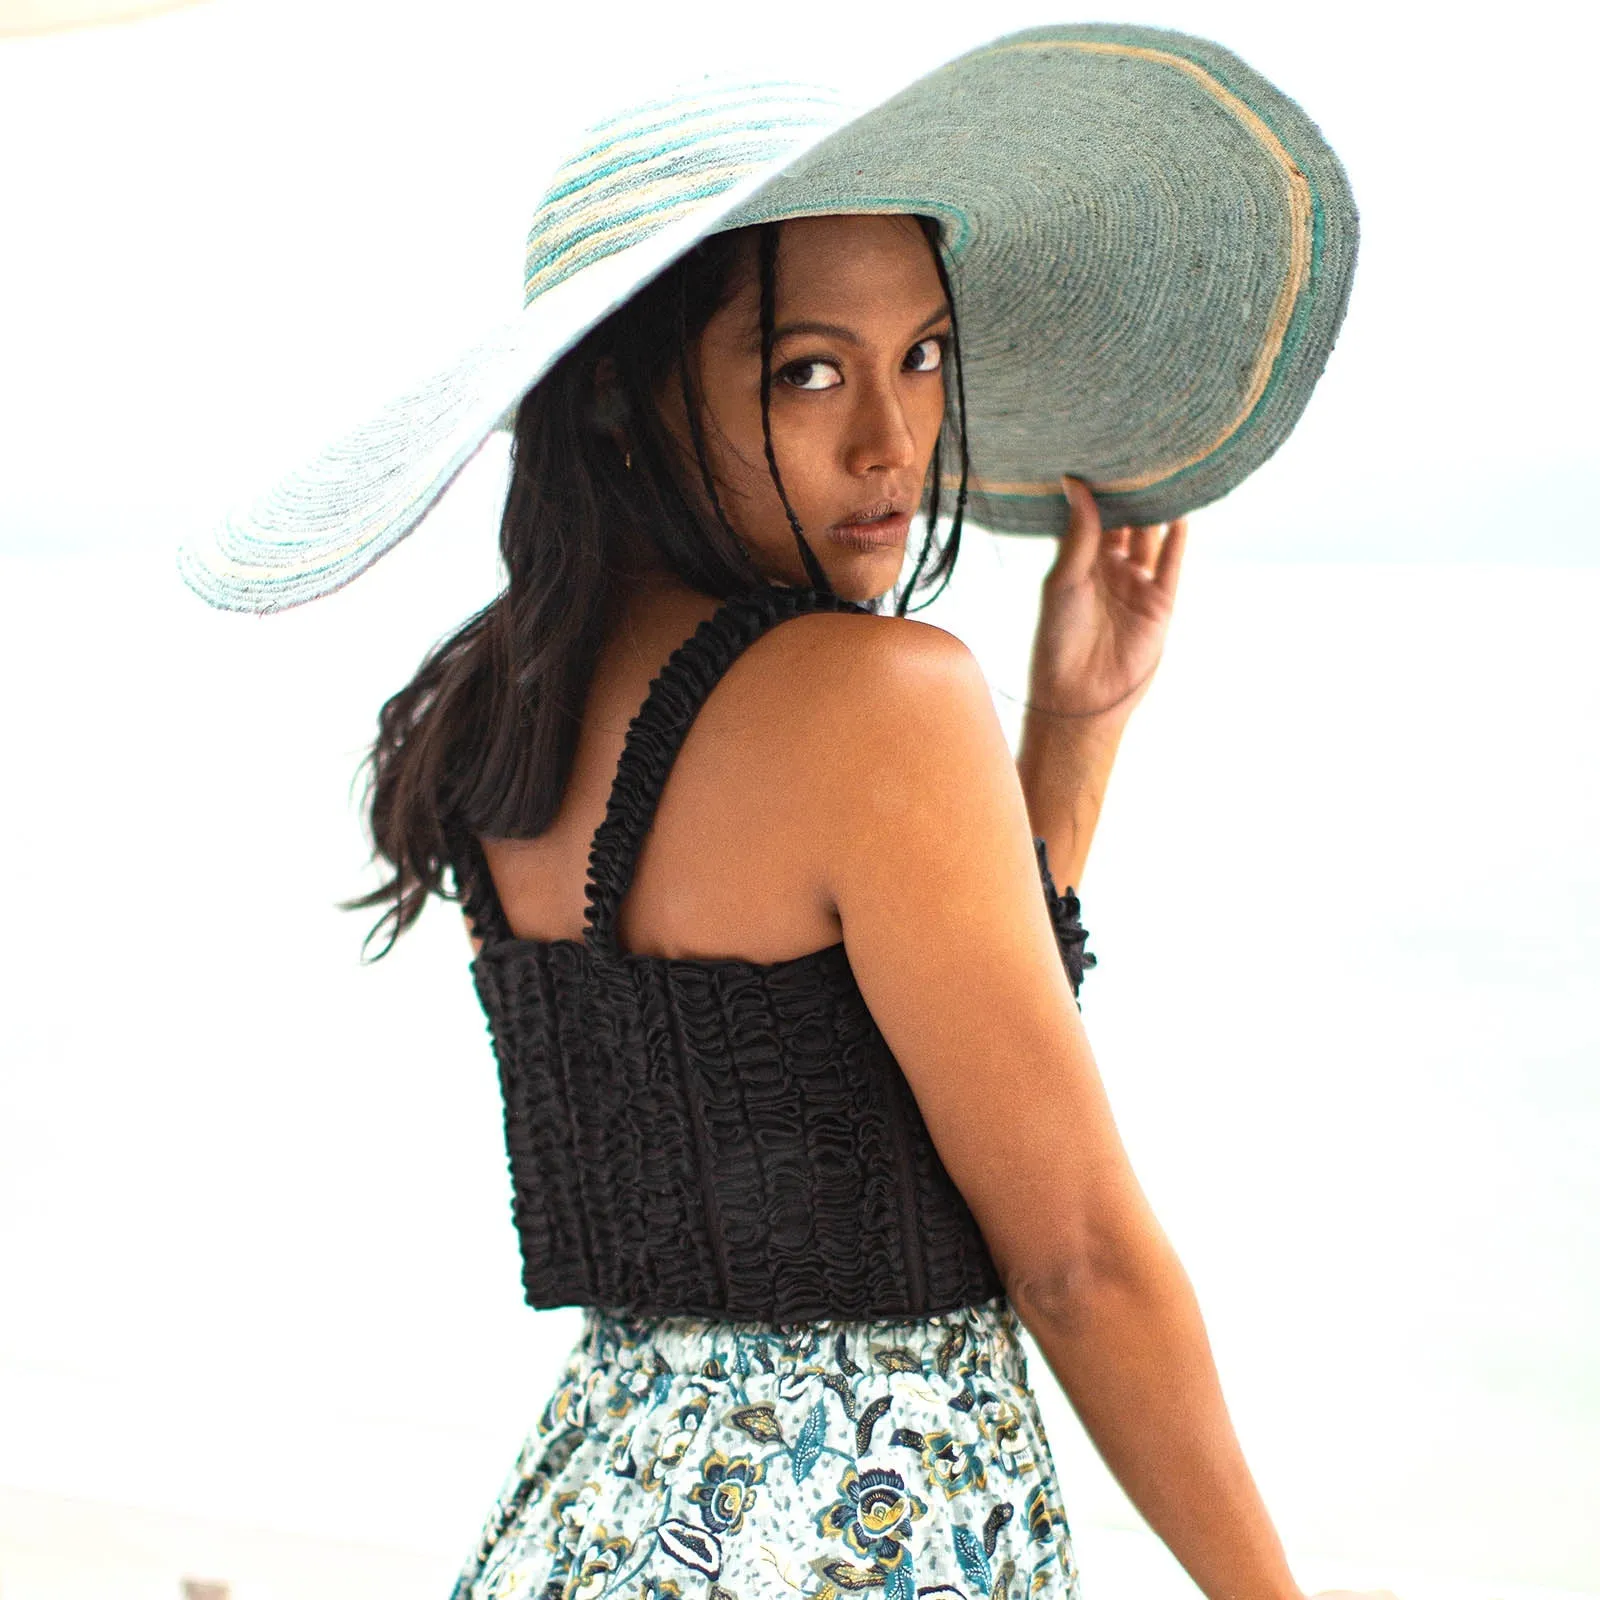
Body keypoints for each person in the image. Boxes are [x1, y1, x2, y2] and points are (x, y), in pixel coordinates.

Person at [178, 26, 1387, 1600]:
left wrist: (1073, 737)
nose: (891, 442)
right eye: (807, 370)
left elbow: (866, 1082)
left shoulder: (497, 721)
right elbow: (1074, 1255)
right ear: (619, 395)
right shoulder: (874, 702)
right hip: (850, 1539)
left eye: (924, 357)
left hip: (600, 1522)